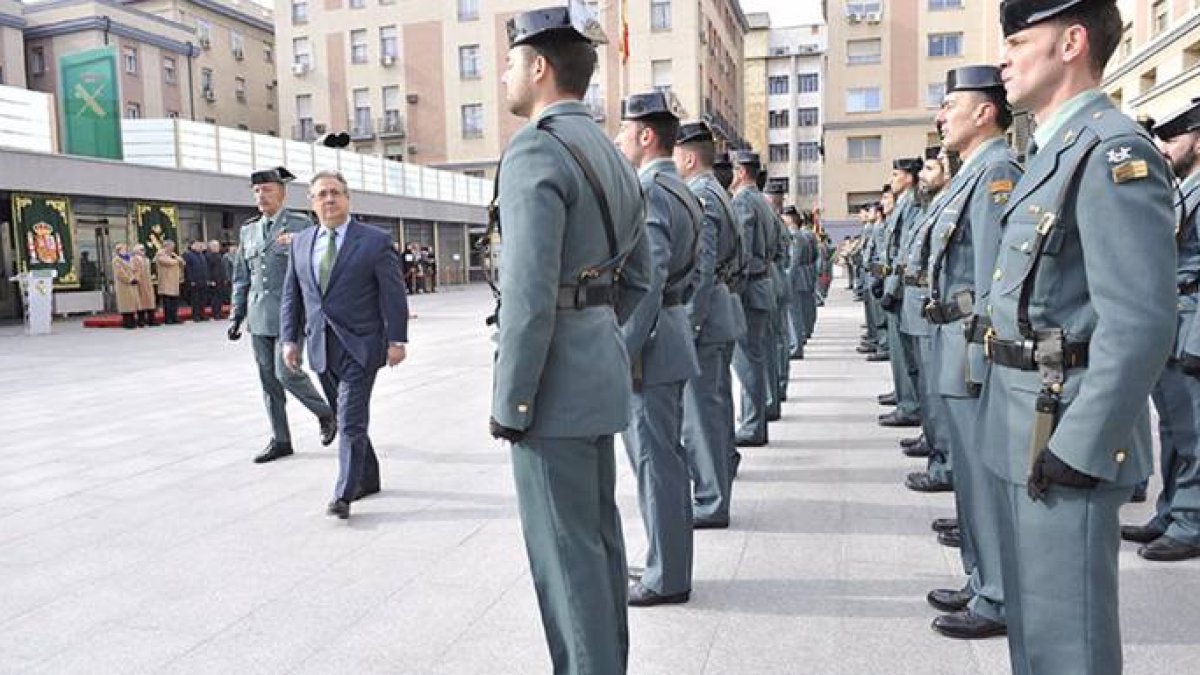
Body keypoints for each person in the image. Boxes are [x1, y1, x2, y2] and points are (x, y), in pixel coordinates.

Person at [979, 1, 1176, 672]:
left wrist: (1083, 445)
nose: (1004, 57)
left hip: (1064, 425)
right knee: (1035, 628)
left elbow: (1142, 319)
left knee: (1070, 638)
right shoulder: (1053, 147)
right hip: (1025, 416)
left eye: (1017, 40)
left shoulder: (1111, 149)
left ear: (1071, 42)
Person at [487, 4, 650, 672]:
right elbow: (640, 281)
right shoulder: (612, 155)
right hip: (597, 372)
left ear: (539, 66)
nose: (503, 75)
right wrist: (605, 344)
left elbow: (527, 298)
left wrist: (511, 401)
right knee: (599, 546)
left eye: (508, 63)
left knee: (566, 558)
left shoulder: (535, 148)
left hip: (551, 387)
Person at [921, 65, 1022, 640]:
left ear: (985, 112)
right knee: (968, 476)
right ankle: (980, 577)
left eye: (951, 104)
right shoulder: (970, 173)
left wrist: (984, 359)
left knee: (983, 480)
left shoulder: (996, 173)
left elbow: (991, 280)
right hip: (952, 342)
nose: (942, 114)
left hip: (970, 348)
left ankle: (999, 595)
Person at [281, 170, 409, 519]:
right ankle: (369, 477)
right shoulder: (302, 242)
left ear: (347, 198)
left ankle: (344, 493)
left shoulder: (374, 240)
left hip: (362, 345)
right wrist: (289, 340)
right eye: (321, 194)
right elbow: (292, 296)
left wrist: (396, 340)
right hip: (321, 346)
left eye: (335, 193)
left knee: (350, 420)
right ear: (312, 202)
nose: (329, 199)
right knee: (343, 416)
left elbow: (393, 295)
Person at [615, 91, 700, 607]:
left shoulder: (649, 190)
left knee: (655, 461)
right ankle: (665, 561)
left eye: (625, 130)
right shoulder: (681, 186)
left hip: (649, 345)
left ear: (646, 136)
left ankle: (666, 575)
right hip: (669, 332)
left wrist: (620, 351)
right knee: (664, 459)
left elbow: (647, 281)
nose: (619, 138)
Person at [1121, 97, 1200, 562]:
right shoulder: (1183, 188)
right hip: (1173, 317)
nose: (1163, 148)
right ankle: (1171, 511)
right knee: (1173, 428)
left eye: (1172, 138)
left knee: (1194, 430)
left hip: (1191, 322)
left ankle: (1192, 520)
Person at [230, 166, 337, 464]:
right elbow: (242, 277)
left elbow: (319, 267)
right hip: (258, 315)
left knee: (286, 373)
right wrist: (236, 315)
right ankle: (280, 438)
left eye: (268, 190)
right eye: (257, 191)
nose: (262, 196)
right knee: (269, 382)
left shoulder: (302, 225)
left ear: (282, 193)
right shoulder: (248, 230)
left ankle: (327, 413)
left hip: (292, 314)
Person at [674, 120, 745, 527]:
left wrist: (689, 324)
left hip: (707, 317)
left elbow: (701, 270)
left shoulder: (700, 195)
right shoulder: (716, 191)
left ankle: (710, 500)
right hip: (721, 311)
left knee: (701, 416)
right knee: (714, 409)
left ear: (686, 156)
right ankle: (719, 481)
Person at [729, 150, 776, 447]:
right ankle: (755, 420)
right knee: (754, 358)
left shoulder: (744, 201)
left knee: (747, 362)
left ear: (741, 171)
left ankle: (751, 425)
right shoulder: (762, 201)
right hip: (762, 284)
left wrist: (734, 284)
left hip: (750, 289)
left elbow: (742, 250)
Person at [878, 158, 924, 428]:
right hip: (896, 283)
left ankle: (910, 405)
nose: (892, 179)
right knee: (899, 352)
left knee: (906, 353)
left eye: (896, 174)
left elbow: (905, 250)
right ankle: (904, 399)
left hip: (904, 287)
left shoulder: (911, 205)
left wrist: (892, 287)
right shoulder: (904, 205)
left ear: (908, 177)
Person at [155, 240, 185, 324]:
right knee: (167, 302)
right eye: (171, 247)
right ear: (166, 246)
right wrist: (177, 260)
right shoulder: (160, 254)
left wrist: (178, 259)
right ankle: (168, 318)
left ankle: (175, 317)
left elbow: (183, 262)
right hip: (166, 281)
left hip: (174, 281)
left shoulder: (173, 255)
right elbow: (168, 262)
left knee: (174, 301)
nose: (172, 249)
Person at [111, 243, 140, 329]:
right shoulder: (116, 260)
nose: (125, 250)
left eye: (126, 249)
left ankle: (133, 320)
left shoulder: (130, 258)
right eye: (123, 249)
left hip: (132, 283)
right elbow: (120, 273)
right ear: (118, 251)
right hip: (123, 285)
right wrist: (129, 279)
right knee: (126, 304)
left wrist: (136, 278)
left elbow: (136, 269)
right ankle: (127, 321)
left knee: (132, 303)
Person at [182, 240, 209, 321]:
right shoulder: (188, 255)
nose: (199, 247)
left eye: (200, 245)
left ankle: (202, 314)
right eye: (197, 245)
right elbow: (188, 269)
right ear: (192, 246)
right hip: (194, 280)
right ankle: (196, 315)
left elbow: (205, 268)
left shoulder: (201, 255)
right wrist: (191, 280)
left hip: (202, 279)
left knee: (203, 299)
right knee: (195, 299)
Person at [132, 244, 157, 327]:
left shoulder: (146, 259)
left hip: (148, 282)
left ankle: (151, 320)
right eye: (141, 249)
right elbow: (134, 271)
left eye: (143, 249)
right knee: (141, 302)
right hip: (140, 282)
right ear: (136, 251)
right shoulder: (134, 259)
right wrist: (137, 279)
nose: (143, 251)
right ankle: (141, 321)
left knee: (150, 301)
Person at [206, 240, 228, 320]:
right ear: (211, 247)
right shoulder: (208, 256)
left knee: (220, 297)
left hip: (221, 279)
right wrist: (210, 280)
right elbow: (208, 269)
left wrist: (225, 278)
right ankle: (216, 313)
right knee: (215, 298)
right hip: (214, 280)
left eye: (218, 246)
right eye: (215, 246)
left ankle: (219, 312)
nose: (217, 248)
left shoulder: (219, 255)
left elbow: (223, 268)